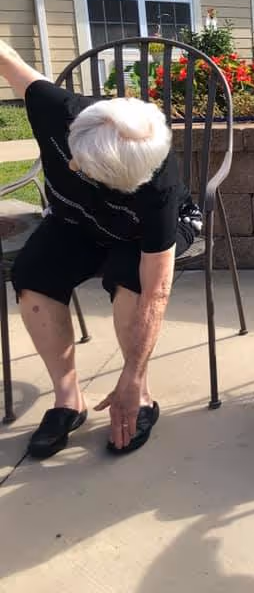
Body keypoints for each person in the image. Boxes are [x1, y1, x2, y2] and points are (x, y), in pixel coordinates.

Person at [0, 39, 200, 459]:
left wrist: (131, 373)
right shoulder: (54, 108)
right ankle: (68, 401)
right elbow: (8, 58)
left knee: (130, 281)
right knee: (32, 274)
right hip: (74, 222)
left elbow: (156, 290)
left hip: (135, 234)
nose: (73, 169)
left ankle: (140, 396)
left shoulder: (157, 189)